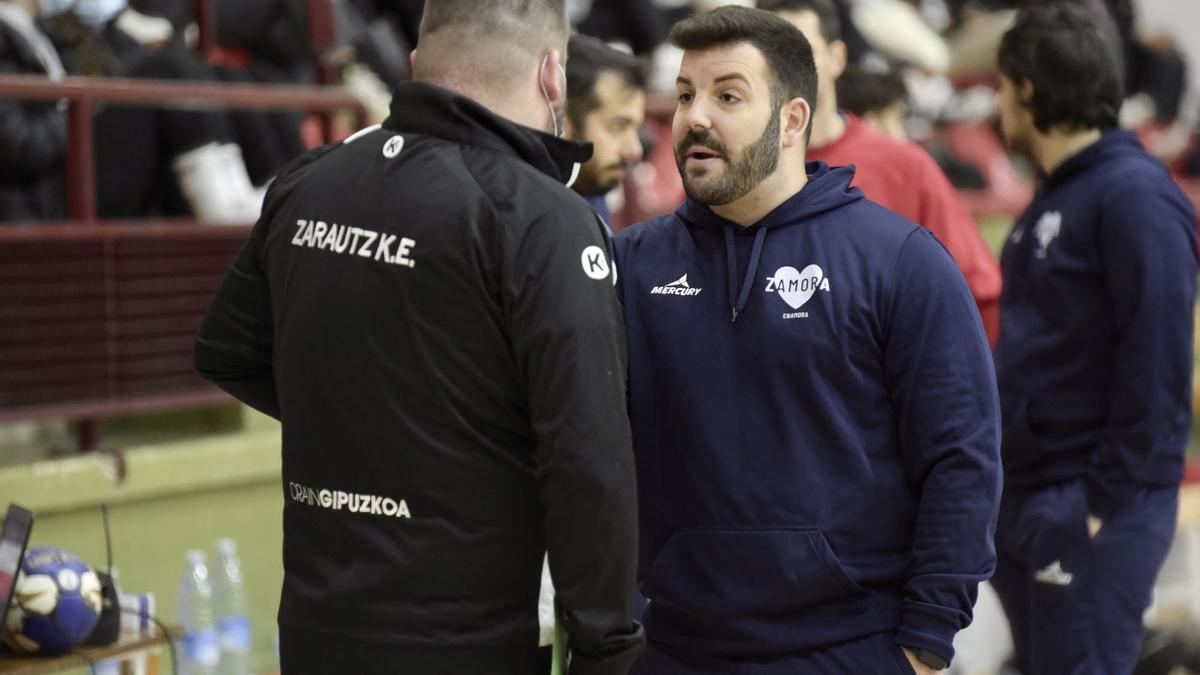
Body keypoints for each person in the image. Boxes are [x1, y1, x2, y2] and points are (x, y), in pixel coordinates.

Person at [193, 0, 645, 672]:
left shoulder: (312, 178)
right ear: (554, 74)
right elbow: (587, 454)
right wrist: (608, 643)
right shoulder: (542, 215)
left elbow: (226, 350)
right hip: (467, 637)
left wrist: (386, 427)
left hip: (317, 627)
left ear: (413, 66)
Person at [613, 6, 1001, 674]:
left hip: (851, 649)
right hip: (675, 645)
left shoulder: (899, 260)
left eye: (727, 95)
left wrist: (925, 644)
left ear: (793, 120)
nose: (694, 116)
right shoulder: (631, 266)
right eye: (683, 95)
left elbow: (961, 457)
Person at [989, 5, 1198, 675]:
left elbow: (1160, 363)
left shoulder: (1134, 197)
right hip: (1033, 495)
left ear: (1025, 88)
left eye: (999, 86)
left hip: (1092, 500)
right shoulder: (1052, 201)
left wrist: (1100, 502)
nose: (995, 103)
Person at [759, 0, 1004, 344]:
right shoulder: (739, 171)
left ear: (837, 58)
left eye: (803, 52)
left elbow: (978, 292)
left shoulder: (904, 166)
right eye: (771, 56)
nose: (786, 70)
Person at [564, 33, 646, 228]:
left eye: (635, 128)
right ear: (562, 123)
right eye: (618, 127)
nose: (634, 150)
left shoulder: (592, 193)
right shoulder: (525, 220)